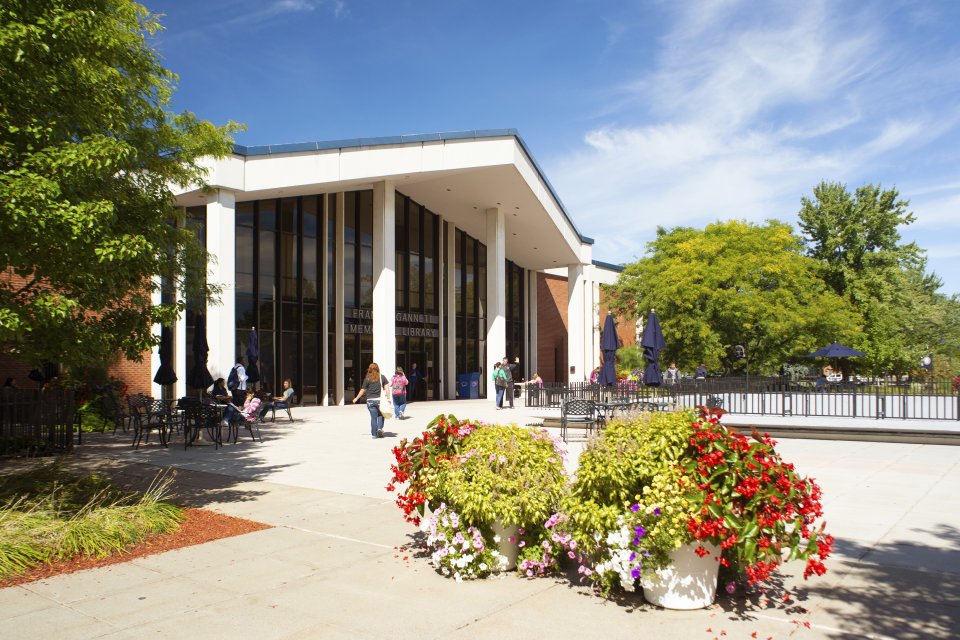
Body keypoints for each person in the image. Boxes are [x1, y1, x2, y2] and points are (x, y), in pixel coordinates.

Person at [353, 363, 390, 439]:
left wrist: (356, 398)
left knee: (373, 417)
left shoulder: (367, 378)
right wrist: (388, 398)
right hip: (380, 401)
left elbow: (363, 390)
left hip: (370, 401)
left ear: (369, 369)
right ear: (378, 369)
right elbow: (387, 388)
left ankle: (374, 434)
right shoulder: (382, 377)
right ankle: (379, 428)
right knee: (381, 415)